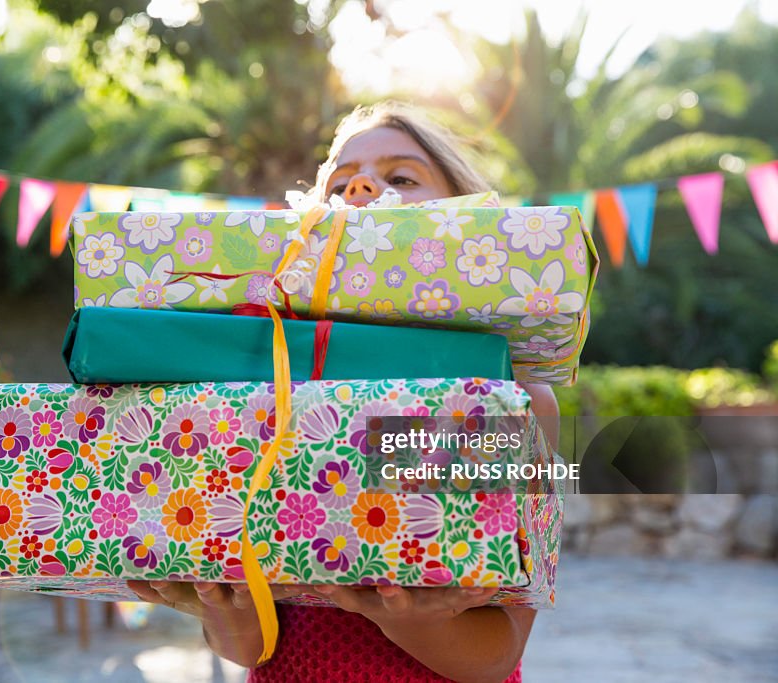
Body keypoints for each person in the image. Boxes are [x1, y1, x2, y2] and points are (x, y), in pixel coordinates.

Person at [128, 101, 560, 683]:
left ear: (467, 217)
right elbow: (251, 649)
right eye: (339, 182)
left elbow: (497, 655)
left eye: (401, 177)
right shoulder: (262, 393)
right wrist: (216, 604)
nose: (361, 186)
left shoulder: (513, 401)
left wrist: (410, 619)